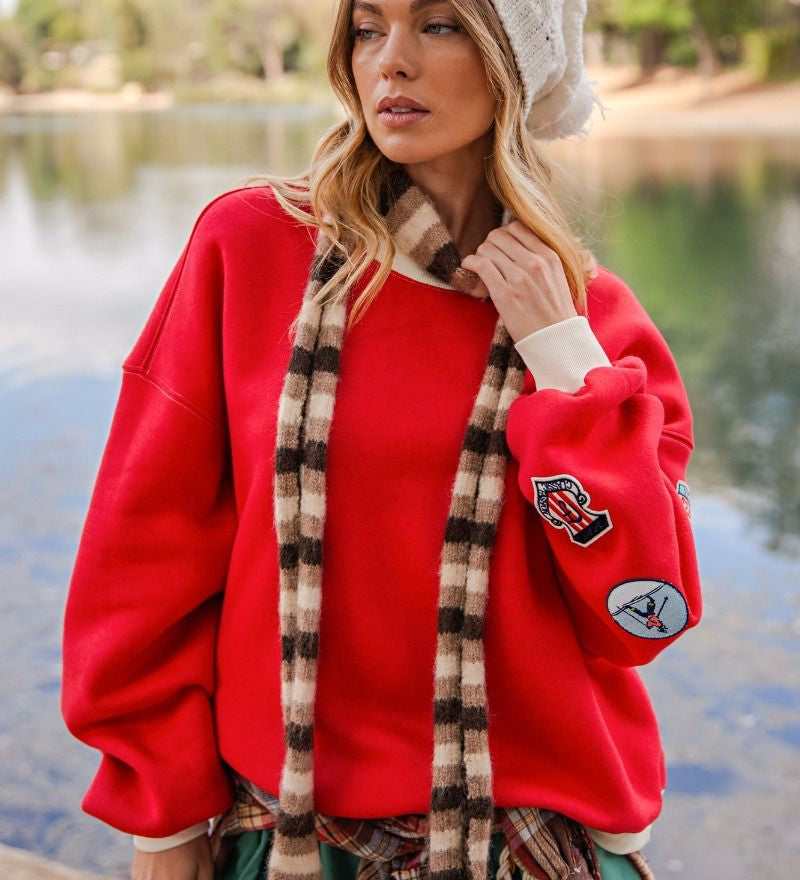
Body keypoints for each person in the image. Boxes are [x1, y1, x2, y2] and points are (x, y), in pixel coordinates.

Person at [60, 0, 702, 878]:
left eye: (439, 25)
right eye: (368, 28)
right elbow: (143, 553)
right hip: (297, 839)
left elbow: (643, 617)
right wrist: (162, 824)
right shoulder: (251, 248)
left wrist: (562, 360)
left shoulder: (593, 325)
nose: (390, 61)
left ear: (518, 61)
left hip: (529, 845)